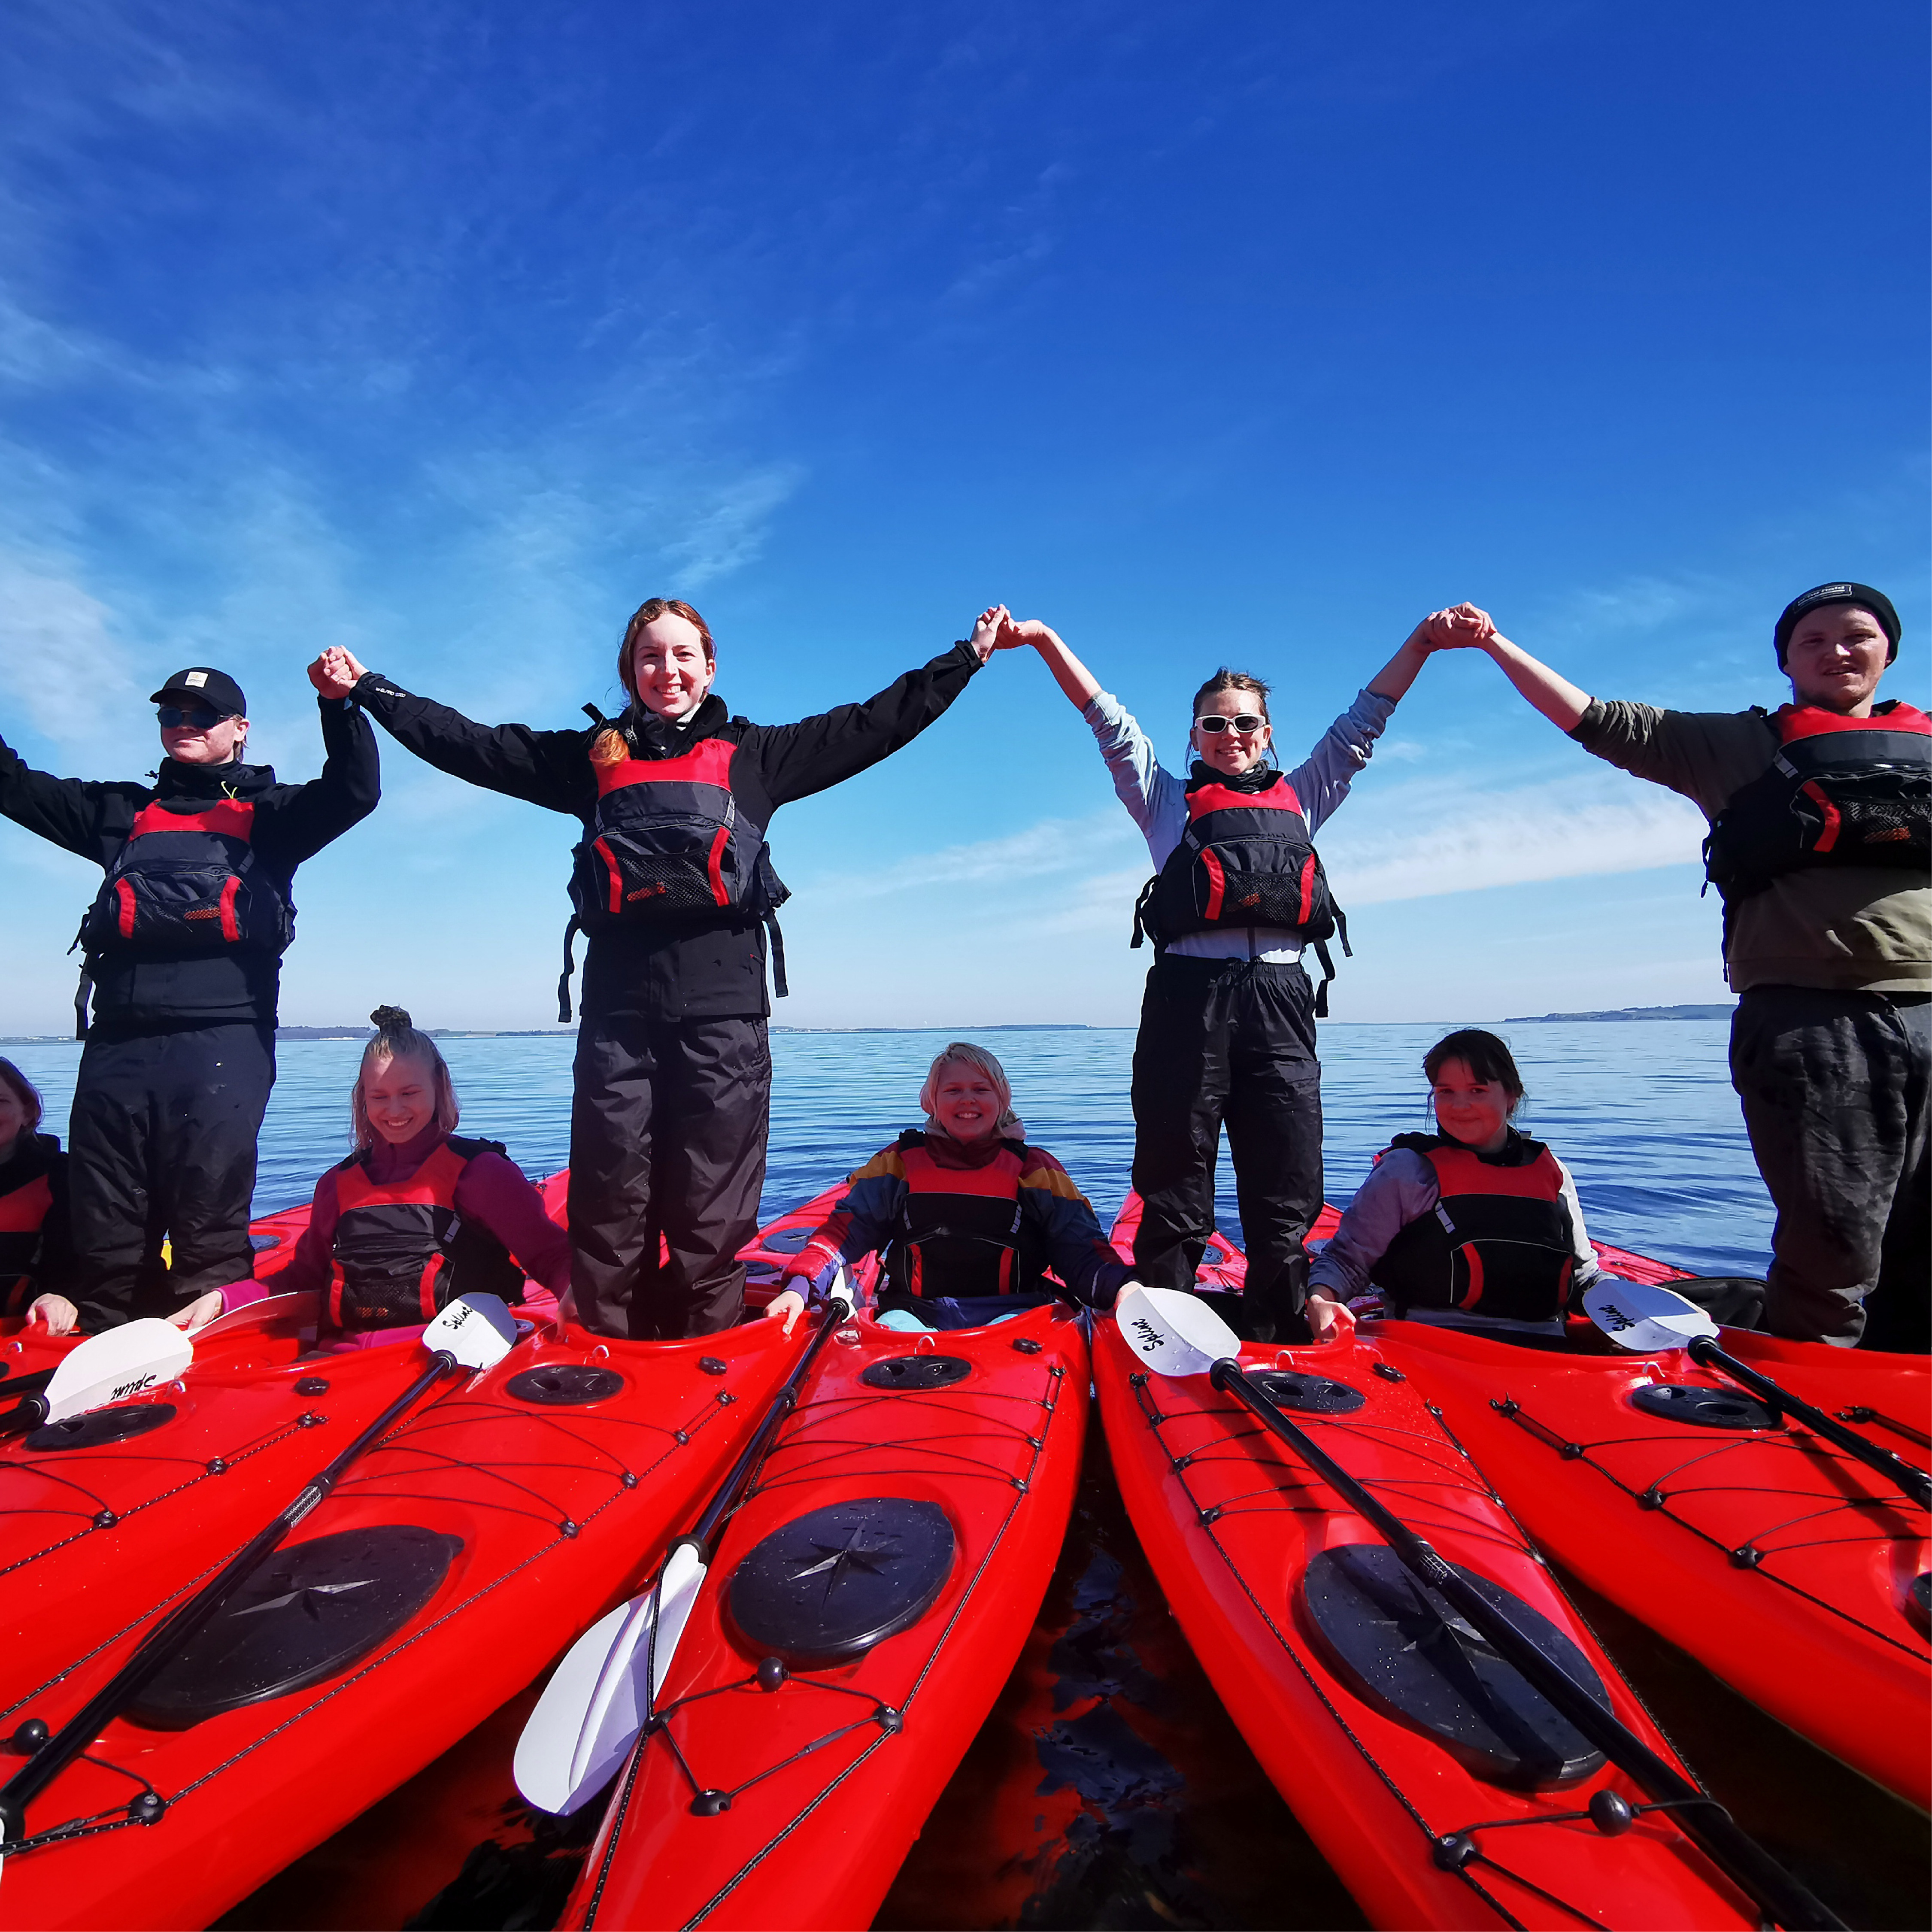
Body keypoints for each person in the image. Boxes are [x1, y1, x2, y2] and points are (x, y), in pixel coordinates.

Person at [312, 600, 1009, 1341]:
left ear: (709, 668)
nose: (666, 671)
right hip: (619, 1019)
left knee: (711, 1209)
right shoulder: (594, 759)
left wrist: (965, 658)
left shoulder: (757, 756)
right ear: (630, 672)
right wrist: (371, 689)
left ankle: (703, 1356)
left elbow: (875, 724)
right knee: (611, 1202)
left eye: (682, 655)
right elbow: (473, 745)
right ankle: (607, 1352)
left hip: (724, 1022)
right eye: (650, 657)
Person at [1438, 586, 1928, 1351]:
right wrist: (1495, 644)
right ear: (1785, 661)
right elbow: (1594, 719)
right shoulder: (1738, 745)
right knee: (1831, 1238)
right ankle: (1813, 1383)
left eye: (1856, 636)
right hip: (1811, 1018)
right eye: (1813, 640)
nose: (1836, 651)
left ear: (1889, 652)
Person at [1004, 608, 1475, 1342]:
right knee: (1173, 1181)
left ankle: (1279, 1333)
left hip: (1281, 1004)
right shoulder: (1165, 801)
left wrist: (1421, 643)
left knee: (1285, 1182)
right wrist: (1042, 641)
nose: (1232, 735)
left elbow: (1365, 722)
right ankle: (1165, 1336)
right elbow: (1106, 720)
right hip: (1187, 1004)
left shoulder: (1306, 795)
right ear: (1194, 736)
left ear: (1268, 732)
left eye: (1246, 723)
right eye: (1215, 724)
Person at [0, 663, 380, 1333]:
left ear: (240, 729)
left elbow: (355, 790)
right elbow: (12, 783)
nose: (185, 724)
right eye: (171, 714)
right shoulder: (119, 812)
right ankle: (101, 1330)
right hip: (118, 1044)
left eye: (203, 715)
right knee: (106, 1212)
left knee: (207, 1211)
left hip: (223, 1044)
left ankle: (212, 1335)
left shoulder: (271, 815)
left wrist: (339, 707)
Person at [220, 1007, 569, 1347]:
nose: (395, 1110)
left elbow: (551, 1256)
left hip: (447, 1362)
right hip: (341, 1362)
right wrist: (224, 1300)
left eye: (409, 1093)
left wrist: (574, 1294)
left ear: (439, 1085)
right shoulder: (337, 1184)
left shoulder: (482, 1173)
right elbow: (303, 1277)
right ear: (363, 1097)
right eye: (379, 1096)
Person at [764, 1041, 1131, 1332]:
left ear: (1001, 1099)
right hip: (912, 1313)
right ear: (933, 1102)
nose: (967, 1099)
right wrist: (800, 1287)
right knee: (892, 1335)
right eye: (953, 1090)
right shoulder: (897, 1163)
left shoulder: (1035, 1168)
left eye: (981, 1089)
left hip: (1015, 1314)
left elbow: (1079, 1246)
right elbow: (846, 1230)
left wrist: (1121, 1287)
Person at [1305, 1030, 1614, 1343]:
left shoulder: (1552, 1173)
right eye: (1446, 1091)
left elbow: (1583, 1276)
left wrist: (1624, 1300)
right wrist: (1320, 1299)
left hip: (1544, 1350)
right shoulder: (1407, 1172)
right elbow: (1346, 1261)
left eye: (1477, 1090)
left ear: (1512, 1096)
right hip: (1424, 1345)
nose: (1460, 1105)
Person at [0, 1060, 79, 1331]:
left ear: (28, 1112)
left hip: (25, 1329)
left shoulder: (59, 1176)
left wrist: (59, 1295)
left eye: (0, 1101)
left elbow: (71, 1259)